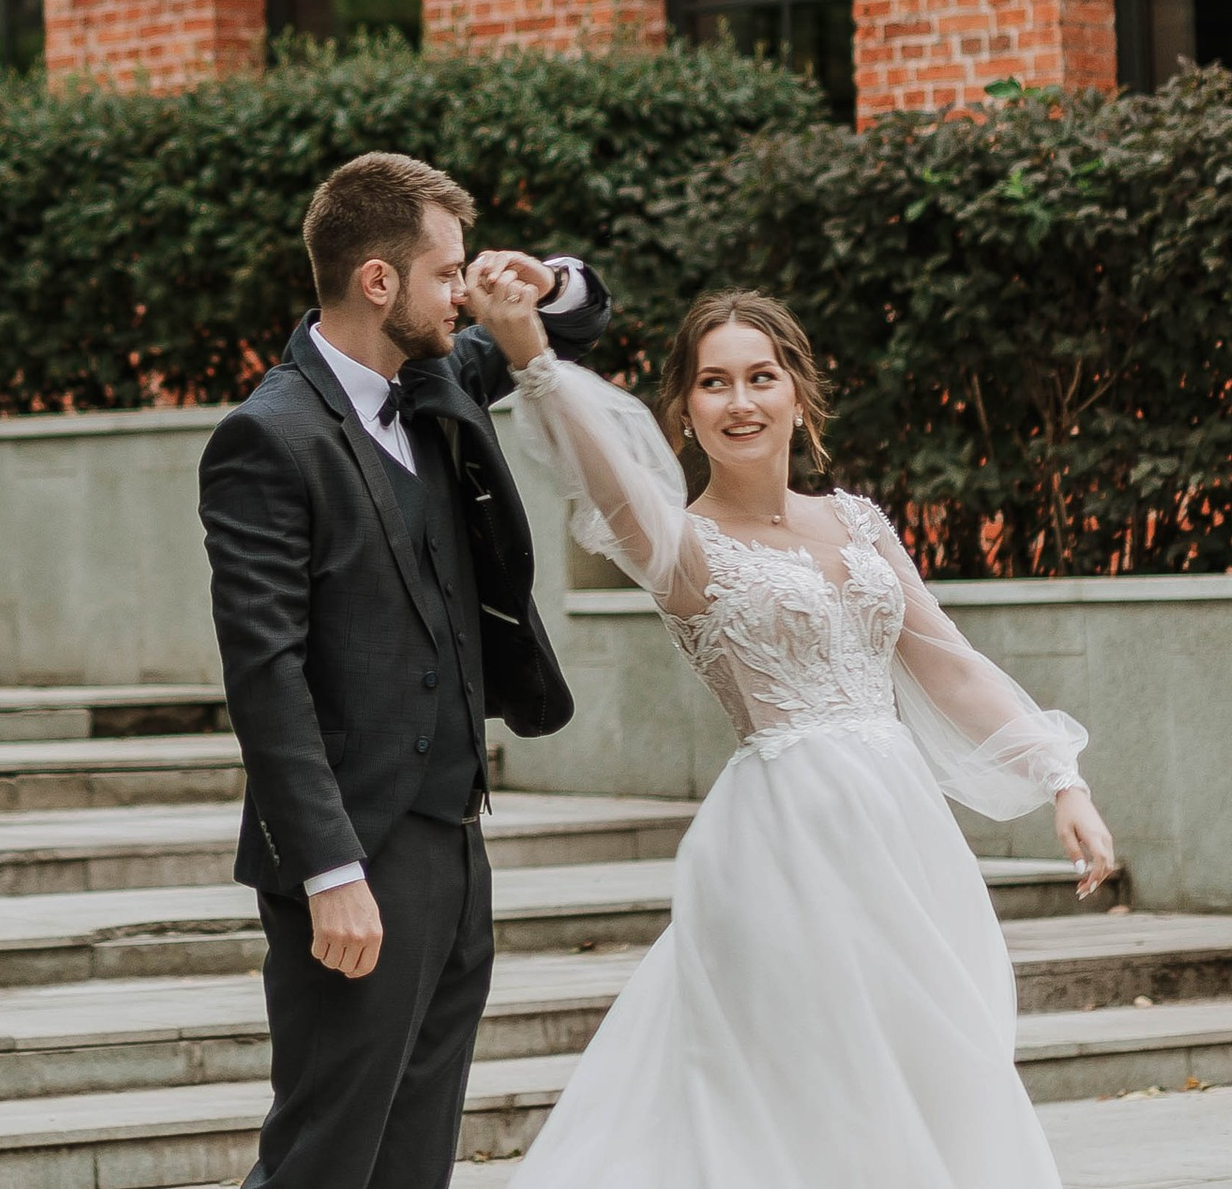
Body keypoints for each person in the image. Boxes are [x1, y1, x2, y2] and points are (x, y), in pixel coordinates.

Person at [464, 266, 1119, 1189]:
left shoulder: (857, 521)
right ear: (682, 411)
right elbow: (607, 476)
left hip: (903, 839)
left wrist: (1062, 777)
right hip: (781, 844)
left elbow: (949, 660)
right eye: (713, 381)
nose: (740, 400)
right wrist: (530, 353)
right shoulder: (677, 544)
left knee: (930, 1063)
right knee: (808, 1081)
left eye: (760, 375)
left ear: (798, 392)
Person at [196, 149, 609, 1189]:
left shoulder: (434, 374)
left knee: (415, 1156)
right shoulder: (267, 438)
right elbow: (265, 673)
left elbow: (584, 313)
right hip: (354, 854)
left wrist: (542, 282)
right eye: (446, 275)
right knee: (325, 1156)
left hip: (453, 837)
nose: (461, 296)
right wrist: (329, 870)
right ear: (377, 281)